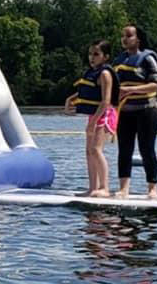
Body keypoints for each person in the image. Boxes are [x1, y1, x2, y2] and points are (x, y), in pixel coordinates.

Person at [63, 40, 119, 198]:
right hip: (94, 115)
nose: (92, 57)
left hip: (105, 114)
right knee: (89, 151)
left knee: (96, 149)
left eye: (96, 54)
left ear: (105, 57)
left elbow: (106, 101)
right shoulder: (91, 73)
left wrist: (93, 123)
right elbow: (87, 90)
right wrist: (70, 99)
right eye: (90, 54)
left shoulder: (105, 74)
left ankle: (104, 188)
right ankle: (92, 187)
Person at [113, 25, 157, 199]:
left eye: (129, 35)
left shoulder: (147, 58)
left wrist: (130, 90)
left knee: (146, 148)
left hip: (147, 110)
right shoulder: (119, 61)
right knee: (124, 149)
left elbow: (156, 85)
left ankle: (152, 188)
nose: (124, 39)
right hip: (125, 111)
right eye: (123, 36)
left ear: (138, 39)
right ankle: (124, 188)